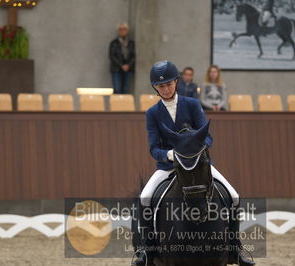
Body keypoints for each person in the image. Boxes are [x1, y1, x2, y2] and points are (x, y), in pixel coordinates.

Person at [132, 60, 254, 266]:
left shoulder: (192, 104)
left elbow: (208, 138)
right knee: (145, 198)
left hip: (198, 165)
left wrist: (194, 152)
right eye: (161, 86)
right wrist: (173, 155)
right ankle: (147, 250)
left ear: (176, 82)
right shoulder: (152, 113)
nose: (166, 89)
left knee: (233, 195)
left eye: (169, 84)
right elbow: (154, 149)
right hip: (169, 167)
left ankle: (235, 248)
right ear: (155, 87)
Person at [109, 23, 135, 94]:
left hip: (128, 69)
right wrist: (121, 65)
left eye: (124, 29)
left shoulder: (131, 43)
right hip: (116, 69)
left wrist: (128, 65)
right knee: (117, 89)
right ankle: (116, 104)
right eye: (120, 29)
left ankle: (124, 105)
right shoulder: (114, 43)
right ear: (118, 31)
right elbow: (112, 56)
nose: (122, 31)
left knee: (126, 89)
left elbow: (133, 55)